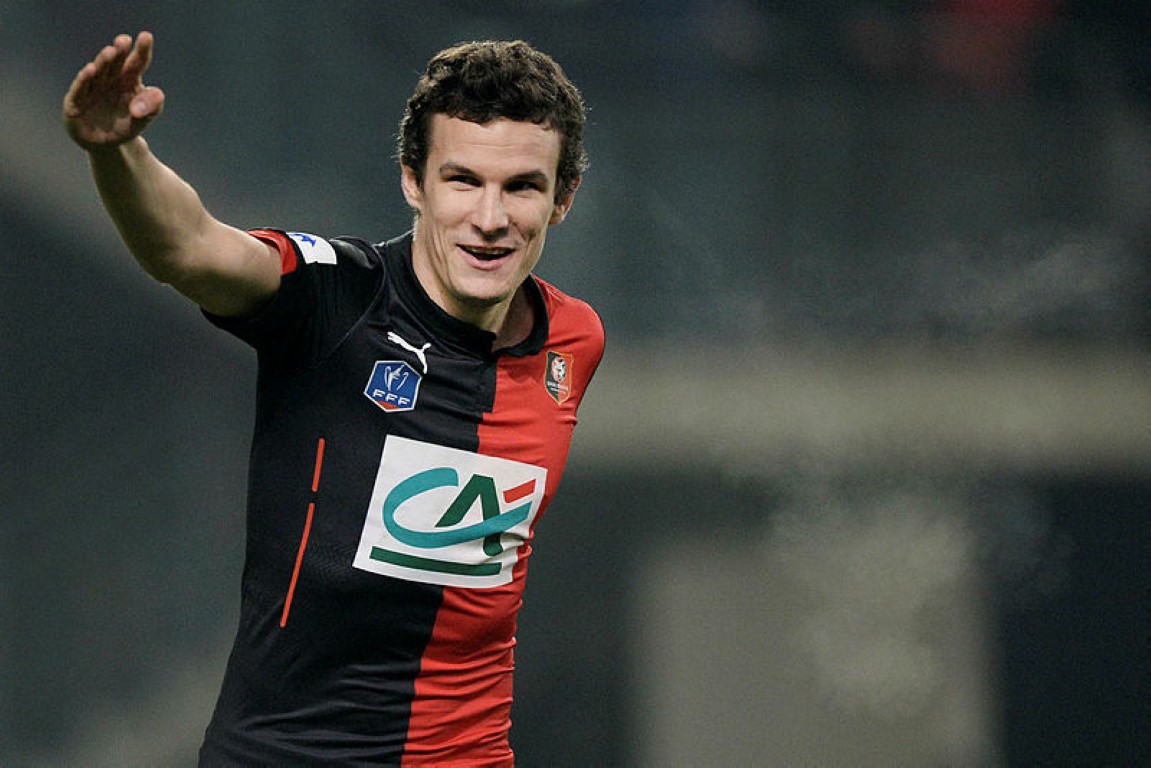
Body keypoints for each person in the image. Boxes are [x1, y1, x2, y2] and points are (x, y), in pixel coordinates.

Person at [63, 31, 604, 766]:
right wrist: (116, 152)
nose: (489, 217)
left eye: (521, 187)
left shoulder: (574, 340)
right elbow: (190, 247)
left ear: (562, 198)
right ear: (413, 182)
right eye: (462, 180)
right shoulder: (337, 299)